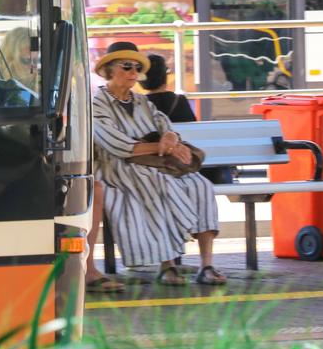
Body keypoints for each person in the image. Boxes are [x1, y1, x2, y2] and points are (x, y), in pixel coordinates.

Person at [91, 41, 226, 286]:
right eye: (127, 67)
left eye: (137, 69)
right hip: (119, 167)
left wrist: (171, 139)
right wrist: (163, 146)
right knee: (156, 183)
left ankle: (206, 265)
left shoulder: (142, 102)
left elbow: (164, 124)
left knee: (200, 185)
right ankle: (168, 265)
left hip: (155, 163)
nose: (134, 73)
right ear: (110, 70)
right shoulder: (97, 103)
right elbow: (119, 146)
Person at [142, 53, 233, 185]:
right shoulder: (180, 101)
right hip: (184, 164)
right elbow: (194, 134)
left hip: (153, 165)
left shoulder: (141, 105)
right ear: (165, 76)